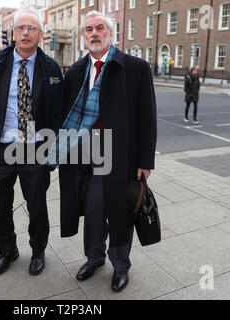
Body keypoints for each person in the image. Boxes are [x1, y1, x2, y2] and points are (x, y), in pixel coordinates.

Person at [58, 11, 157, 293]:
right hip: (83, 151)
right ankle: (94, 257)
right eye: (88, 29)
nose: (94, 33)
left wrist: (145, 160)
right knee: (90, 207)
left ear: (111, 34)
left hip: (119, 151)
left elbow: (147, 117)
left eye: (99, 28)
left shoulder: (136, 68)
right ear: (83, 36)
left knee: (118, 209)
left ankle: (120, 265)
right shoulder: (76, 71)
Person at [0, 8, 63, 276]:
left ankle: (38, 250)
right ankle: (7, 251)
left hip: (33, 149)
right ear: (13, 33)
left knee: (37, 207)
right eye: (21, 28)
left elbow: (59, 112)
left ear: (41, 35)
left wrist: (49, 149)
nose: (26, 33)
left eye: (32, 28)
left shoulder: (51, 68)